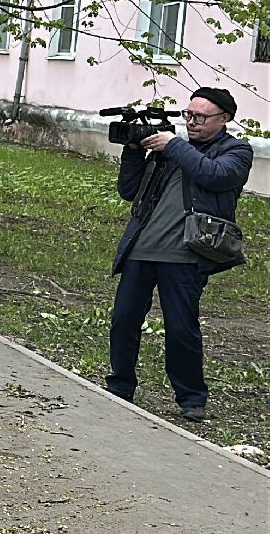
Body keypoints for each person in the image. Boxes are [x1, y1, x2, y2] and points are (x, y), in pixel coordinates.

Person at [108, 87, 252, 422]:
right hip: (142, 249)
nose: (192, 122)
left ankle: (191, 398)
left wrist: (173, 145)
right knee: (124, 319)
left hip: (187, 254)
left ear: (224, 119)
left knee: (181, 328)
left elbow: (214, 176)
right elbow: (129, 191)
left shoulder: (235, 151)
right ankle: (120, 386)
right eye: (188, 115)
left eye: (201, 117)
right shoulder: (169, 150)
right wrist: (133, 152)